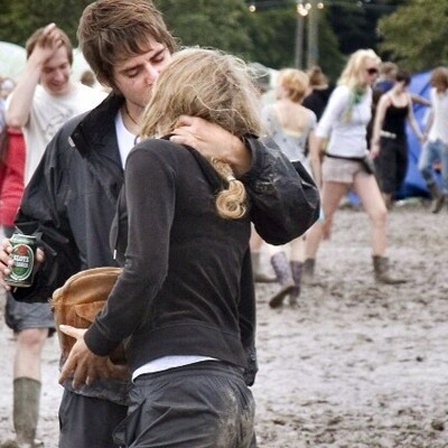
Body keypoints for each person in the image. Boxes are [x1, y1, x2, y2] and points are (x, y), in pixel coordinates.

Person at [0, 1, 320, 447]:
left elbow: (297, 214)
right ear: (108, 79)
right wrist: (32, 261)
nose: (152, 76)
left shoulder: (226, 123)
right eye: (133, 70)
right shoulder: (75, 142)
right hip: (98, 367)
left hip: (194, 366)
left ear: (173, 48)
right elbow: (42, 239)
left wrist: (244, 154)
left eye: (158, 58)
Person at [58, 45, 277, 447]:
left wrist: (98, 340)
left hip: (178, 393)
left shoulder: (154, 157)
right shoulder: (230, 178)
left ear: (174, 92)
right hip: (231, 392)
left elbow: (146, 268)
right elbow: (243, 298)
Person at [1, 24, 107, 448]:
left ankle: (80, 422)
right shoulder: (30, 101)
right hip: (34, 226)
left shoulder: (92, 101)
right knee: (30, 331)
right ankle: (25, 435)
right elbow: (13, 118)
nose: (58, 75)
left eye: (64, 66)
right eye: (50, 68)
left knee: (80, 325)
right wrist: (34, 62)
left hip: (83, 226)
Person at [303, 49, 405, 285]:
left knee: (380, 213)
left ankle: (381, 269)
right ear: (358, 69)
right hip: (338, 161)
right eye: (371, 70)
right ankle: (307, 268)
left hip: (360, 160)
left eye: (376, 71)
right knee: (323, 217)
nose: (374, 75)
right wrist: (315, 162)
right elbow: (323, 127)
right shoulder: (343, 93)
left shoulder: (367, 92)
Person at [261, 68, 320, 307]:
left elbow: (261, 144)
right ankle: (295, 294)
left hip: (277, 173)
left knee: (269, 235)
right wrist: (318, 185)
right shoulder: (310, 116)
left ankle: (284, 279)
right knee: (300, 237)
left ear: (285, 87)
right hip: (302, 174)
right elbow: (315, 155)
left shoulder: (269, 111)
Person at [370, 69, 424, 209]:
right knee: (388, 171)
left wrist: (419, 135)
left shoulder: (406, 98)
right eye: (403, 84)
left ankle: (390, 196)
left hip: (401, 138)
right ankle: (384, 203)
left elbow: (411, 119)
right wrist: (375, 141)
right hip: (387, 138)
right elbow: (379, 121)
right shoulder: (386, 99)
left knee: (402, 168)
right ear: (396, 82)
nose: (404, 87)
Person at [418, 66, 448, 213]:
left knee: (446, 176)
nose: (434, 85)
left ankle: (444, 199)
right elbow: (433, 113)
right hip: (433, 137)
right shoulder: (432, 94)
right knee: (423, 167)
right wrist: (426, 131)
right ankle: (437, 194)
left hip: (445, 140)